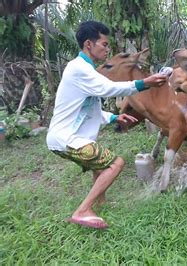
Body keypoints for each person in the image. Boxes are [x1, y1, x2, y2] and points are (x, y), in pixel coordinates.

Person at [46, 21, 167, 229]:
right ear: (88, 45)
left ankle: (101, 203)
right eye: (104, 44)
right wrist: (144, 83)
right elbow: (108, 88)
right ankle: (83, 210)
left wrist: (113, 118)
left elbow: (89, 107)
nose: (107, 48)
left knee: (98, 165)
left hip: (67, 138)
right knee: (115, 163)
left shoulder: (85, 70)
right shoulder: (79, 69)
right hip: (66, 139)